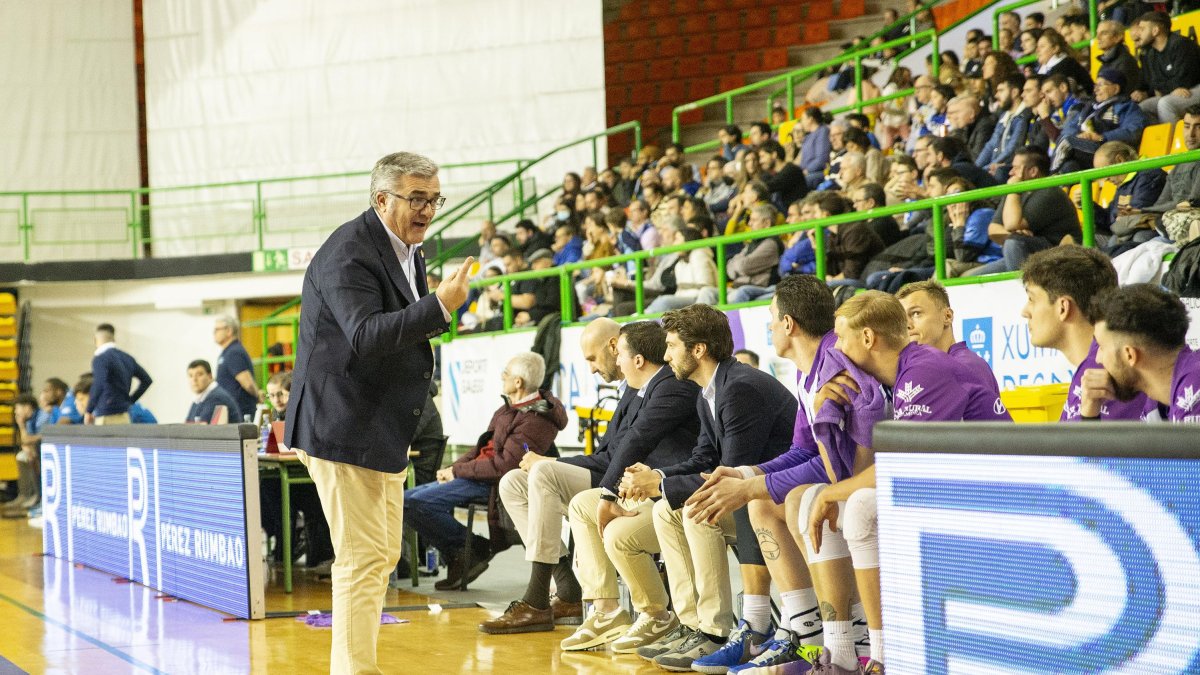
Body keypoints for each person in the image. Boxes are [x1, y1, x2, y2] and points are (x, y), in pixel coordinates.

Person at [282, 151, 474, 674]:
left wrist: (433, 307)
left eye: (434, 198)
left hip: (377, 426)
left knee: (380, 556)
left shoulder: (408, 249)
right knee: (364, 559)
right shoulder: (348, 251)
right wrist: (440, 306)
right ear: (381, 198)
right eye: (416, 198)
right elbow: (365, 335)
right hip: (342, 425)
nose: (428, 209)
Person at [682, 276, 884, 673]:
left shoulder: (833, 369)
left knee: (795, 499)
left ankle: (845, 639)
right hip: (854, 480)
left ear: (789, 323)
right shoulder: (810, 369)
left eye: (772, 319)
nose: (770, 327)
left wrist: (755, 484)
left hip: (871, 483)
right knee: (762, 503)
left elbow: (836, 466)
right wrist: (747, 473)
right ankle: (805, 636)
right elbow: (803, 450)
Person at [803, 291, 1012, 674]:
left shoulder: (924, 369)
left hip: (996, 486)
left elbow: (903, 466)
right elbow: (862, 472)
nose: (835, 349)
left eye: (841, 338)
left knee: (860, 507)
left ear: (867, 339)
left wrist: (833, 493)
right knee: (832, 501)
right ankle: (850, 650)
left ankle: (886, 654)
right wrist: (824, 416)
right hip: (956, 478)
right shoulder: (893, 380)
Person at [486, 320, 699, 649]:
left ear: (619, 349)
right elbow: (611, 450)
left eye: (591, 359)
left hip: (646, 485)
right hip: (621, 478)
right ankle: (583, 596)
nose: (591, 368)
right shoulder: (633, 385)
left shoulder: (670, 385)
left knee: (544, 475)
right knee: (514, 482)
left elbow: (629, 447)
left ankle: (539, 597)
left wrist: (556, 464)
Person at [622, 303, 798, 672]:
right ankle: (692, 624)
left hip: (779, 500)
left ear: (698, 350)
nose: (666, 355)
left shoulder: (740, 388)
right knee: (666, 510)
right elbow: (704, 458)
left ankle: (716, 631)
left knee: (696, 512)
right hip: (754, 497)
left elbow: (731, 473)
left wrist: (661, 482)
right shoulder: (710, 388)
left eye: (671, 346)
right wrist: (660, 477)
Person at [405, 352, 566, 591]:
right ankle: (464, 552)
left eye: (506, 373)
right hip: (477, 475)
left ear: (519, 382)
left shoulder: (535, 419)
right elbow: (482, 446)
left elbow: (504, 467)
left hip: (492, 483)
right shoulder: (509, 409)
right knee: (406, 500)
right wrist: (453, 467)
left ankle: (469, 550)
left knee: (413, 503)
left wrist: (459, 472)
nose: (502, 377)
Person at [1020, 246, 1159, 421]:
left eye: (1032, 299)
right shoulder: (1092, 366)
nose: (1025, 311)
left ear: (1063, 307)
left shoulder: (1109, 368)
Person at [1087, 283, 1200, 423]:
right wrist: (1090, 415)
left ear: (1130, 355)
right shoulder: (1157, 403)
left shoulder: (1194, 390)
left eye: (1101, 347)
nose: (1098, 359)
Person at [969, 147, 1080, 275]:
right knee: (969, 277)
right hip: (1028, 255)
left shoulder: (1050, 192)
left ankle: (1023, 292)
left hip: (1059, 256)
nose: (1010, 172)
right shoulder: (1015, 193)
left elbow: (1011, 225)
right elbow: (993, 230)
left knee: (1013, 243)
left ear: (1033, 171)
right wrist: (1015, 233)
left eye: (1015, 168)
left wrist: (1014, 233)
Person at [895, 280, 998, 393]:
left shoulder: (966, 367)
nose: (907, 325)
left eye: (916, 313)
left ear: (947, 316)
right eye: (902, 319)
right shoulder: (916, 369)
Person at [1052, 67, 1146, 173]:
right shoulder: (1088, 108)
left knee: (1066, 142)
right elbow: (1069, 130)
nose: (1096, 89)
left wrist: (1101, 137)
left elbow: (1133, 131)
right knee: (1069, 166)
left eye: (1101, 85)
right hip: (1085, 148)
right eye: (1096, 85)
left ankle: (1049, 179)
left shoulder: (1127, 107)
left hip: (1108, 149)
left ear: (1116, 88)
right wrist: (1079, 136)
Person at [1132, 11, 1200, 124]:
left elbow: (1185, 80)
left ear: (1155, 30)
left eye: (1143, 29)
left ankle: (1175, 140)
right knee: (1141, 108)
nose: (1139, 34)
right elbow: (1154, 83)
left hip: (1195, 88)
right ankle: (1159, 139)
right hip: (1174, 92)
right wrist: (1172, 88)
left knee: (1166, 103)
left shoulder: (1180, 44)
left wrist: (1168, 87)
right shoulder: (1151, 54)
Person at [87, 323, 152, 425]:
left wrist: (89, 410)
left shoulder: (100, 358)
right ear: (113, 340)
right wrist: (130, 401)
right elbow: (147, 380)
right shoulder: (127, 358)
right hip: (125, 414)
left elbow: (99, 383)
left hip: (106, 414)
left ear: (95, 340)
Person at [213, 316, 260, 421]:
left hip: (239, 412)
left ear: (229, 331)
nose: (214, 333)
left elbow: (247, 383)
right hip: (233, 410)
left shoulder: (234, 352)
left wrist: (258, 396)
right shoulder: (228, 351)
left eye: (217, 329)